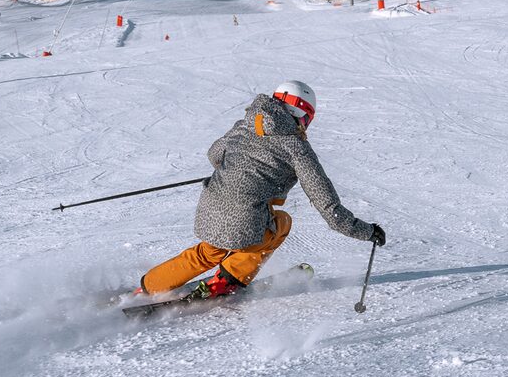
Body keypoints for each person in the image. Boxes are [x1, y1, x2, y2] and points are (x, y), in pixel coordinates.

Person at [138, 80, 385, 298]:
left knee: (207, 252)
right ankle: (226, 281)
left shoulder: (243, 125)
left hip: (209, 207)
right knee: (282, 223)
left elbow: (214, 154)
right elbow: (328, 207)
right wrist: (366, 231)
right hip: (245, 219)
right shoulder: (295, 147)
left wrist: (235, 170)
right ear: (304, 115)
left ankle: (150, 285)